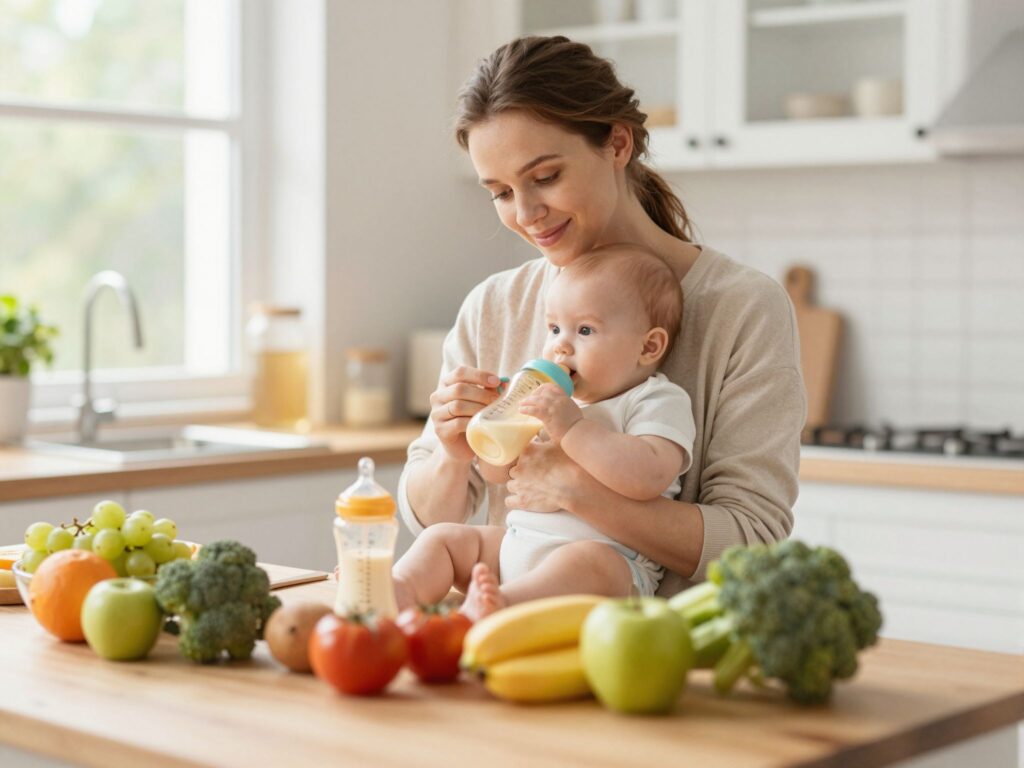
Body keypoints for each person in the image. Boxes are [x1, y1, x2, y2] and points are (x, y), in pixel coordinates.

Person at [397, 35, 805, 599]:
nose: (526, 213)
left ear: (617, 143)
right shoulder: (495, 305)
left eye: (544, 177)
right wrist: (450, 453)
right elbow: (426, 521)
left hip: (660, 656)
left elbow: (752, 543)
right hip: (501, 647)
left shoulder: (741, 308)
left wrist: (578, 492)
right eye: (500, 192)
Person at [392, 245, 695, 619]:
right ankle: (397, 589)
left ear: (648, 346)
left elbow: (647, 476)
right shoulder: (551, 400)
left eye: (585, 330)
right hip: (516, 546)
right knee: (443, 540)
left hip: (609, 565)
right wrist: (494, 428)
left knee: (589, 562)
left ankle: (500, 608)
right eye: (554, 328)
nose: (560, 345)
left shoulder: (654, 398)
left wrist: (572, 428)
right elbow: (499, 476)